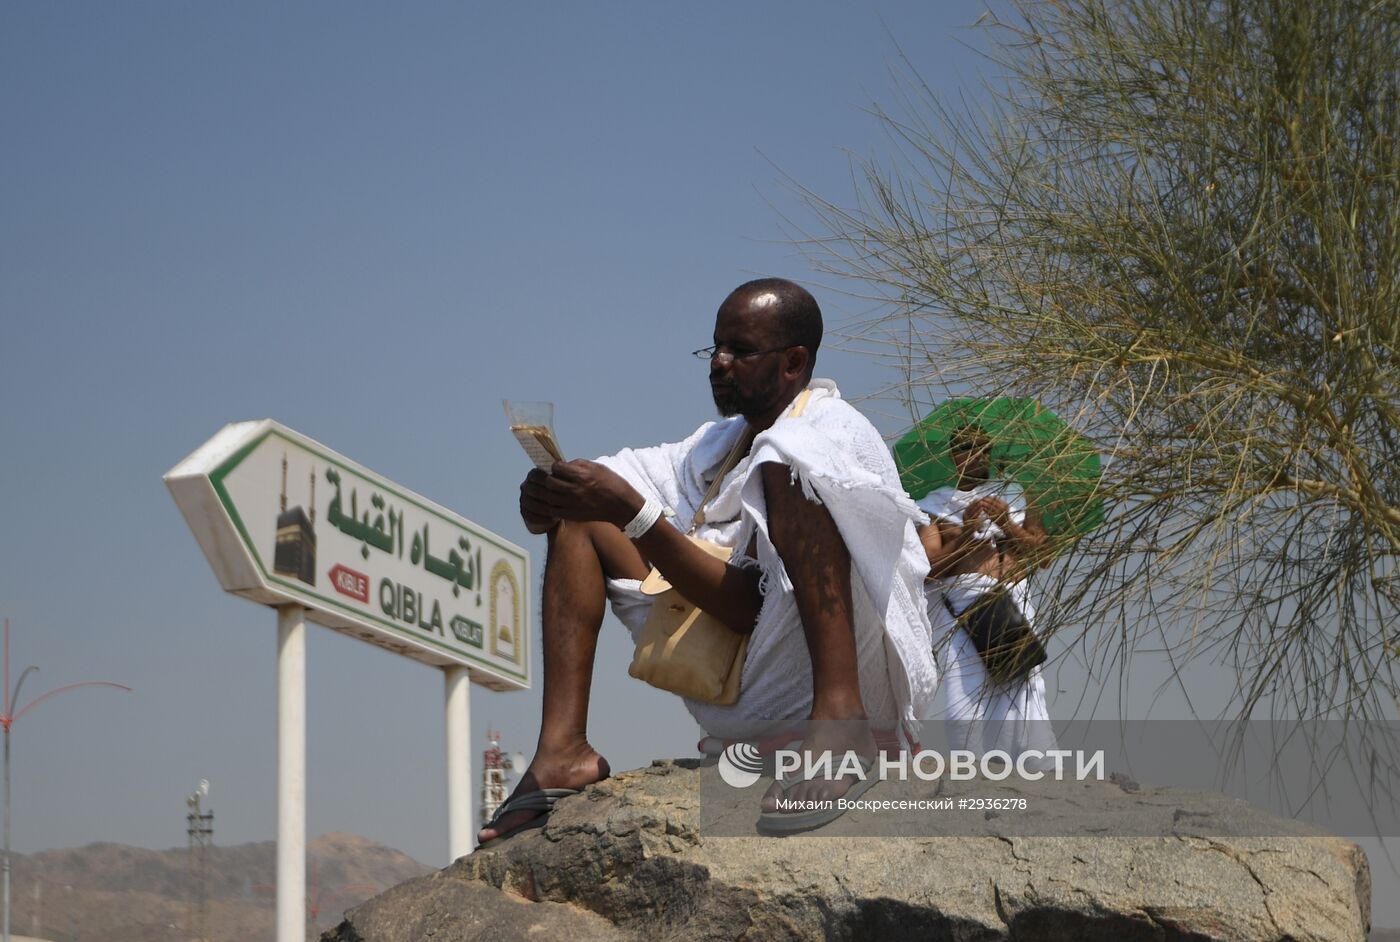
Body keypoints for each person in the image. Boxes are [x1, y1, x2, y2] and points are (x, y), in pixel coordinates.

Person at [479, 278, 937, 842]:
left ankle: (842, 723)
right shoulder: (717, 445)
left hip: (824, 677)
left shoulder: (831, 431)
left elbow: (751, 608)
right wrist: (555, 497)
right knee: (585, 512)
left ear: (794, 362)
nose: (718, 364)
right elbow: (613, 478)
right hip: (742, 692)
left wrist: (637, 515)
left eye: (739, 351)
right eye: (714, 348)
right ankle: (561, 751)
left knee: (790, 464)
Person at [917, 423, 1059, 764]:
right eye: (965, 445)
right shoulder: (932, 505)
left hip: (1012, 602)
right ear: (953, 454)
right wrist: (966, 532)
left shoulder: (1019, 495)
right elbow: (928, 567)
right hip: (961, 607)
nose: (975, 454)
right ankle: (972, 765)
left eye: (982, 446)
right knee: (965, 689)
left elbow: (1043, 557)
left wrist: (1008, 524)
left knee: (1022, 686)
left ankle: (1030, 765)